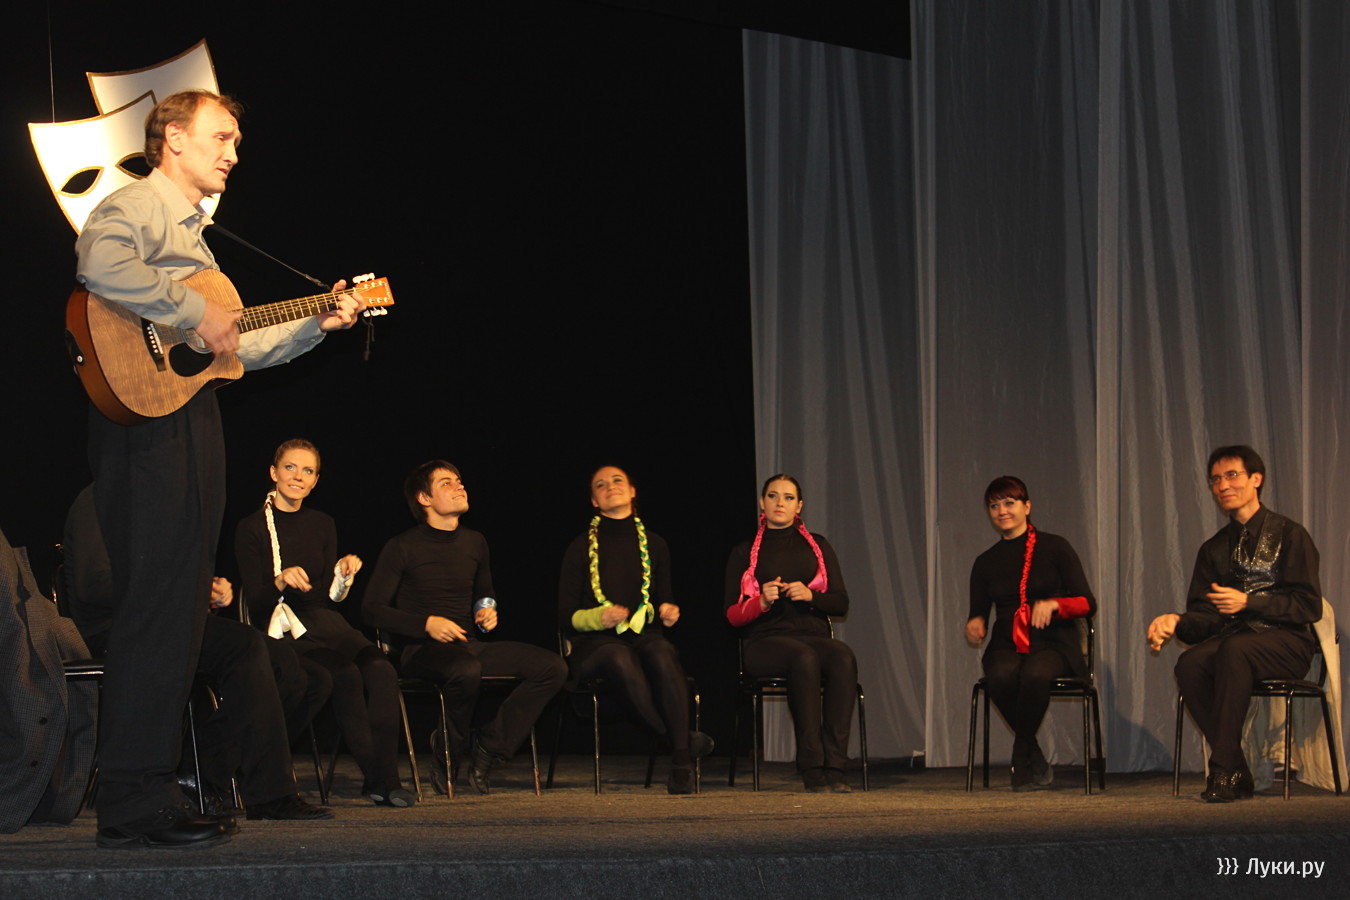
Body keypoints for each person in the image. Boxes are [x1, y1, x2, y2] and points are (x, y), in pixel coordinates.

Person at [75, 90, 364, 849]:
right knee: (157, 609)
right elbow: (98, 262)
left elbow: (233, 347)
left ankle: (149, 790)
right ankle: (133, 799)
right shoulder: (138, 205)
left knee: (179, 612)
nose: (234, 153)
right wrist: (189, 309)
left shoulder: (196, 241)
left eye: (237, 141)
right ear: (172, 137)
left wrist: (316, 322)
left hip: (189, 415)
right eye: (221, 137)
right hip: (144, 424)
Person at [62, 485, 332, 825]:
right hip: (117, 629)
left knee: (306, 675)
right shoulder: (99, 498)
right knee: (244, 644)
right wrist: (188, 590)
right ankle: (269, 795)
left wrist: (208, 590)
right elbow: (94, 585)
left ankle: (198, 772)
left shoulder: (158, 501)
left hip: (168, 623)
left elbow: (168, 577)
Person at [363, 461, 566, 794]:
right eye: (446, 483)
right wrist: (426, 624)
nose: (459, 486)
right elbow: (371, 610)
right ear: (424, 498)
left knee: (552, 668)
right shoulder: (402, 546)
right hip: (420, 650)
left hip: (468, 646)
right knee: (465, 669)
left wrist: (486, 610)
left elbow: (485, 592)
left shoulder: (475, 542)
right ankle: (449, 751)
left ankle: (490, 744)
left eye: (459, 481)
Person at [235, 439, 410, 807]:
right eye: (290, 467)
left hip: (326, 621)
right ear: (274, 472)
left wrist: (343, 576)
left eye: (308, 471)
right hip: (284, 628)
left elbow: (331, 599)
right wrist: (280, 580)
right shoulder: (251, 528)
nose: (298, 476)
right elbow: (256, 601)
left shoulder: (323, 523)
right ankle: (377, 778)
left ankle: (388, 776)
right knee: (344, 674)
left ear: (315, 481)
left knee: (381, 669)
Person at [1147, 445, 1322, 802]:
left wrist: (1249, 602)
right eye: (1215, 479)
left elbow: (1308, 605)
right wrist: (1177, 622)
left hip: (1287, 642)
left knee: (1234, 650)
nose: (1223, 485)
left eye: (1231, 475)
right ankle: (1237, 767)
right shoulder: (1213, 549)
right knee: (1190, 663)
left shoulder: (1290, 534)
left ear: (1256, 479)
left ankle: (1223, 771)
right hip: (1235, 642)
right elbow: (1206, 619)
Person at [559, 465, 711, 794]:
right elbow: (565, 616)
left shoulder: (655, 545)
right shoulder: (579, 547)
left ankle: (679, 757)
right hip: (594, 644)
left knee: (662, 649)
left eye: (617, 481)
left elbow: (664, 598)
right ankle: (680, 747)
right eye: (600, 485)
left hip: (643, 636)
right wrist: (598, 618)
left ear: (632, 491)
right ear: (594, 501)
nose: (610, 486)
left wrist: (668, 611)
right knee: (618, 655)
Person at [725, 475, 856, 792]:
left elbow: (840, 603)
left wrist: (811, 596)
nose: (779, 503)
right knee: (803, 657)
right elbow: (731, 615)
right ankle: (811, 765)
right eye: (772, 496)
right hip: (764, 643)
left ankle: (835, 766)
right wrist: (761, 602)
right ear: (762, 503)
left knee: (842, 656)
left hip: (812, 637)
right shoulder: (744, 551)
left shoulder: (818, 546)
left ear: (799, 506)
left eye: (788, 497)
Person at [965, 476, 1095, 791]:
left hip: (1052, 642)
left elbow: (1087, 603)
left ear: (1027, 506)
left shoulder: (1056, 547)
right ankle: (1031, 752)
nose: (1002, 511)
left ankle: (1020, 755)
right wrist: (975, 623)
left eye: (1009, 503)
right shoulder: (985, 562)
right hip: (1006, 643)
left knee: (1036, 673)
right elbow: (978, 612)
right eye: (994, 506)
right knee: (1000, 675)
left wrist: (1055, 604)